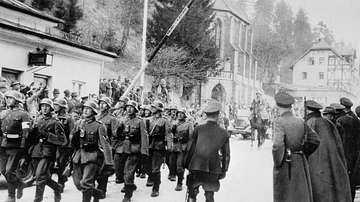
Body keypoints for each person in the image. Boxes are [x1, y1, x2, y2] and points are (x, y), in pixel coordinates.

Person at [272, 92, 320, 202]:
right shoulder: (301, 121)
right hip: (300, 161)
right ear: (290, 106)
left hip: (286, 161)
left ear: (278, 106)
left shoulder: (279, 122)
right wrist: (303, 152)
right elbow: (315, 140)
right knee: (300, 193)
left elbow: (277, 145)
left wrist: (277, 162)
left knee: (285, 194)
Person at [182, 102, 230, 202]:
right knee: (209, 195)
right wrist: (224, 170)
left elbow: (189, 149)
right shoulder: (224, 133)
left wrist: (185, 164)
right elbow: (226, 155)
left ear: (206, 115)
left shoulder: (198, 129)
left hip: (196, 166)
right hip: (213, 168)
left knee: (192, 194)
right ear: (218, 115)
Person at [305, 100, 351, 202]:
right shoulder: (327, 123)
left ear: (308, 111)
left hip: (316, 163)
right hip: (332, 161)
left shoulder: (311, 123)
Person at [70, 100, 115, 202]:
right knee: (78, 183)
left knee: (85, 182)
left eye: (88, 109)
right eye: (84, 109)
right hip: (79, 156)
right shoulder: (79, 123)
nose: (85, 111)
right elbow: (71, 140)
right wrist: (73, 137)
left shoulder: (99, 125)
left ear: (93, 111)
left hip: (92, 156)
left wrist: (109, 163)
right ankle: (97, 193)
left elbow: (106, 144)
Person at [29, 98, 67, 202]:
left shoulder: (55, 122)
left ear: (51, 108)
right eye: (42, 106)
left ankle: (37, 199)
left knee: (40, 175)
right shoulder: (37, 119)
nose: (44, 108)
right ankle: (57, 187)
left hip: (48, 152)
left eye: (47, 106)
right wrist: (32, 130)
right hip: (36, 151)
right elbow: (30, 137)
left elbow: (62, 140)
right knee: (42, 176)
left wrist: (48, 135)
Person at [112, 100, 149, 202]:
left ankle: (128, 196)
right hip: (121, 148)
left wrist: (144, 152)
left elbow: (144, 137)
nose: (129, 109)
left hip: (134, 149)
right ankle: (128, 184)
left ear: (135, 109)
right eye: (127, 107)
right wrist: (113, 145)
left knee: (129, 173)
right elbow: (115, 136)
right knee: (118, 170)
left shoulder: (140, 121)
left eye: (131, 107)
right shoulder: (120, 120)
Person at [0, 90, 31, 202]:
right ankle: (20, 184)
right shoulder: (3, 113)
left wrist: (23, 148)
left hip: (16, 146)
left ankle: (11, 195)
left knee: (9, 171)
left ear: (17, 101)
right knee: (3, 170)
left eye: (10, 98)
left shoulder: (23, 114)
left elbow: (26, 133)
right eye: (7, 98)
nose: (8, 100)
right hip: (3, 145)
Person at [147, 100, 173, 197]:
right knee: (147, 167)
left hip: (159, 145)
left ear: (158, 109)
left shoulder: (164, 121)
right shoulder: (148, 120)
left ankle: (156, 188)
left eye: (154, 107)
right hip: (149, 145)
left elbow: (168, 134)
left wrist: (169, 146)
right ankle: (154, 179)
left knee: (155, 168)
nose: (152, 109)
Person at [94, 96, 117, 202]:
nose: (101, 105)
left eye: (104, 103)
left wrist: (111, 148)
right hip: (94, 146)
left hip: (105, 147)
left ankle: (102, 189)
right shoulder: (96, 117)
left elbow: (114, 135)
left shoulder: (112, 119)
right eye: (100, 103)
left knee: (103, 170)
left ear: (108, 106)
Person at [53, 98, 75, 188]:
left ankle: (61, 182)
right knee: (55, 163)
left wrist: (70, 146)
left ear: (62, 107)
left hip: (64, 145)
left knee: (61, 164)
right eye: (54, 105)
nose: (54, 107)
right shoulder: (54, 117)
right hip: (54, 144)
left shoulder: (69, 118)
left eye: (57, 105)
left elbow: (71, 132)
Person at [170, 108, 194, 191]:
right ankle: (175, 176)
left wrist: (189, 147)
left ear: (185, 115)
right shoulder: (174, 123)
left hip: (183, 147)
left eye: (182, 113)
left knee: (179, 166)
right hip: (175, 146)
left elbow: (192, 137)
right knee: (171, 164)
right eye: (178, 113)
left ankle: (179, 183)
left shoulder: (188, 124)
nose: (180, 115)